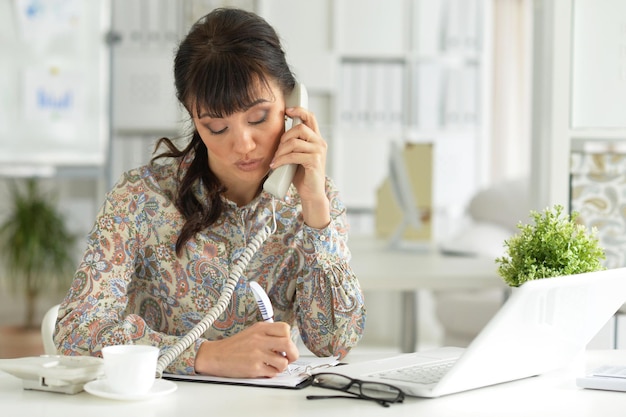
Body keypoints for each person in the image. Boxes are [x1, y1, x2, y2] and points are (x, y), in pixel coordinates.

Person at [53, 7, 366, 378]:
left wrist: (315, 208)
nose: (243, 145)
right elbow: (75, 334)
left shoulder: (317, 201)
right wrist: (207, 356)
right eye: (217, 128)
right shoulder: (139, 197)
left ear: (292, 101)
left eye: (259, 118)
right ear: (193, 117)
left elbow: (337, 342)